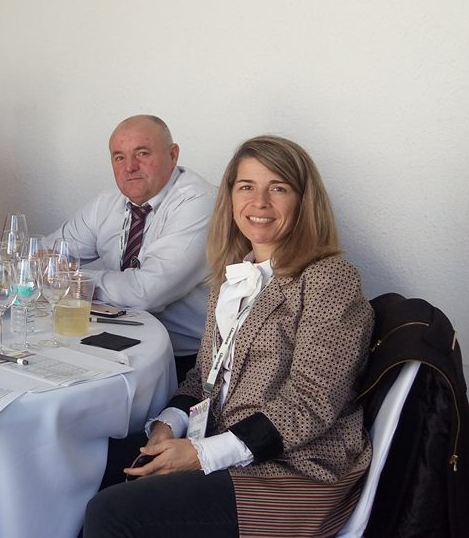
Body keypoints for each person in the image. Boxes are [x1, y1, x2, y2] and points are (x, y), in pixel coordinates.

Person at [84, 135, 373, 537]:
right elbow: (204, 374)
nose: (260, 203)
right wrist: (168, 424)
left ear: (304, 201)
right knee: (88, 465)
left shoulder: (328, 278)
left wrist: (201, 454)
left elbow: (312, 402)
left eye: (278, 188)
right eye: (246, 187)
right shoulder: (234, 275)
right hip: (223, 440)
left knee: (113, 512)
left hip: (292, 471)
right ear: (231, 198)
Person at [47, 115, 214, 382]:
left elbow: (148, 292)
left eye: (142, 153)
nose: (130, 167)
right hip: (114, 344)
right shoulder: (107, 203)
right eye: (119, 157)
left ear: (173, 155)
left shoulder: (199, 203)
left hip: (189, 363)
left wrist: (76, 281)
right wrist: (48, 271)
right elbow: (46, 256)